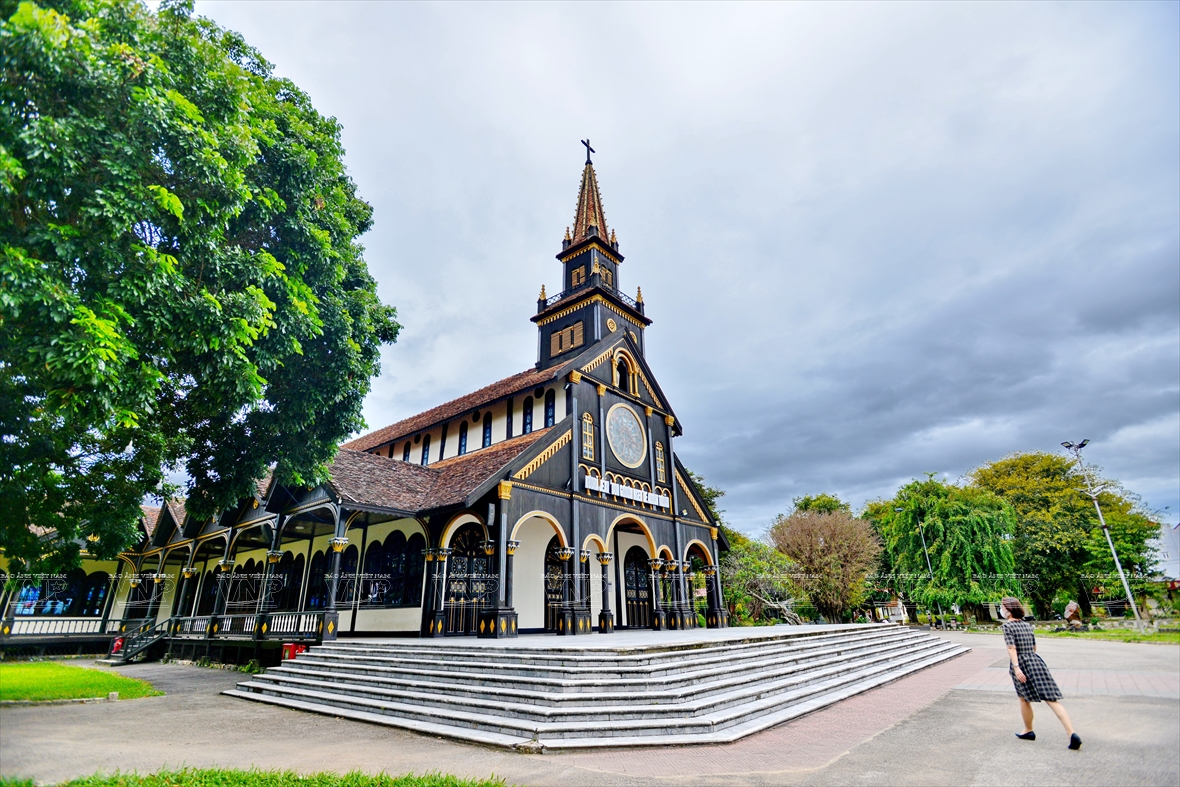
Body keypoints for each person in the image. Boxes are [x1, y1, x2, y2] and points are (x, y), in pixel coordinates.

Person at [1000, 597, 1082, 750]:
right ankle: (1071, 733)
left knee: (1024, 699)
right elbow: (1034, 647)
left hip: (1021, 664)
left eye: (1003, 607)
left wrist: (1017, 667)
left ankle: (1029, 730)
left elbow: (1011, 648)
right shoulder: (1027, 625)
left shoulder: (1007, 627)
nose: (1002, 609)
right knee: (1052, 699)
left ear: (1009, 610)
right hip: (1036, 661)